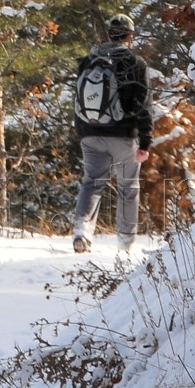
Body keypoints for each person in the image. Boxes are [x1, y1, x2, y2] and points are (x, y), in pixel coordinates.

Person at [71, 13, 153, 253]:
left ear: (108, 34)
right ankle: (125, 242)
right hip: (124, 135)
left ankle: (82, 231)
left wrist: (82, 130)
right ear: (130, 36)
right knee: (129, 187)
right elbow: (143, 104)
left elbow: (79, 98)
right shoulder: (136, 64)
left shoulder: (88, 61)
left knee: (92, 183)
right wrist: (145, 141)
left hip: (90, 133)